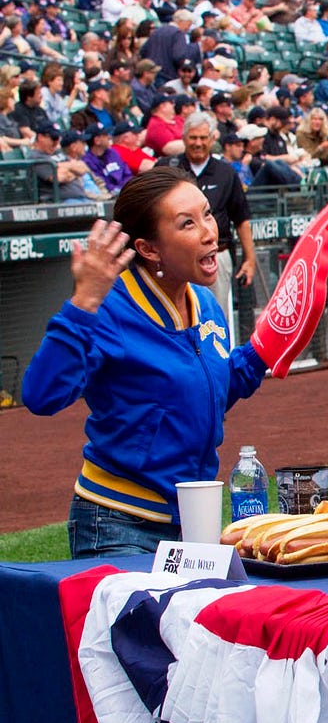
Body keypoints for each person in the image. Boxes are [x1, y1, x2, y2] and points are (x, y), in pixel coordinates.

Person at [21, 168, 268, 557]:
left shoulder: (203, 303)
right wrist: (84, 301)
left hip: (191, 523)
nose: (209, 231)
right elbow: (40, 394)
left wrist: (264, 348)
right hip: (118, 524)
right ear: (149, 249)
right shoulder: (109, 307)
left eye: (207, 214)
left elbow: (211, 391)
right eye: (187, 223)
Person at [159, 112, 256, 314]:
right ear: (184, 138)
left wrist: (250, 259)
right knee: (173, 317)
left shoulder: (226, 172)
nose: (198, 143)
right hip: (175, 260)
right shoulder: (166, 169)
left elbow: (241, 219)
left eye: (203, 138)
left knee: (214, 319)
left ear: (212, 139)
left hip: (215, 257)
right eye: (193, 137)